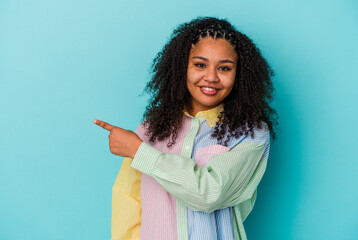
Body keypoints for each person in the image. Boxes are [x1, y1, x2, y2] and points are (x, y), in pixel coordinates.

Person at [94, 16, 277, 240]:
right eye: (200, 65)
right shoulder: (149, 131)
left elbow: (210, 193)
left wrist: (139, 151)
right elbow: (128, 200)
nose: (211, 77)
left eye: (224, 68)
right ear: (182, 68)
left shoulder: (251, 134)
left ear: (238, 75)